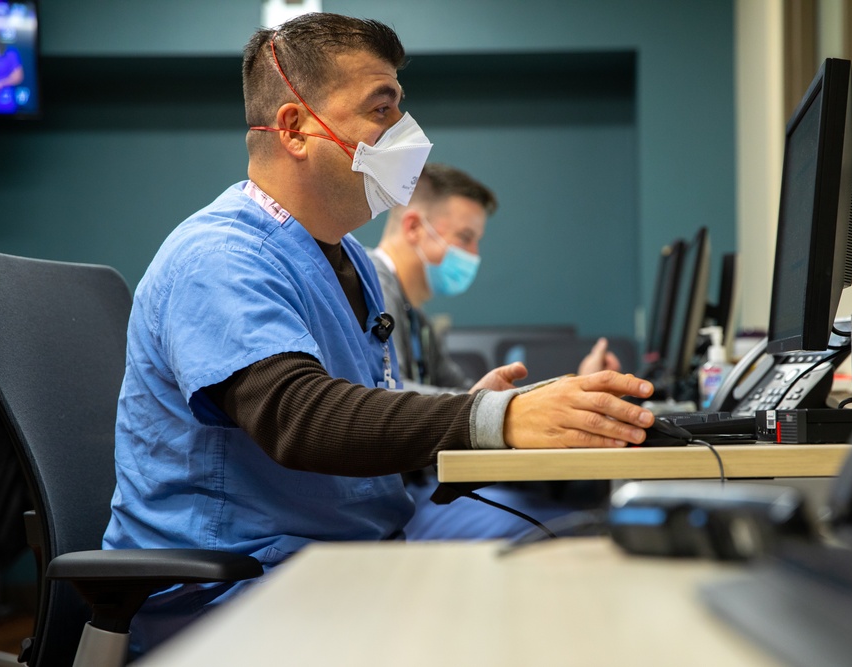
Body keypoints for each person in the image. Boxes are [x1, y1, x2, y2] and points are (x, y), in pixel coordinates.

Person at [102, 12, 654, 655]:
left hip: (354, 547)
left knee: (578, 552)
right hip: (238, 583)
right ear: (295, 127)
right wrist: (486, 419)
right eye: (381, 108)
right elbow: (299, 417)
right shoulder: (218, 256)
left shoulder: (350, 261)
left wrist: (479, 417)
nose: (406, 135)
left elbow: (361, 421)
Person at [369, 162, 621, 539]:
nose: (474, 253)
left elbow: (477, 397)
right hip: (401, 500)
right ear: (414, 227)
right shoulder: (372, 286)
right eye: (466, 237)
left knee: (583, 501)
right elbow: (391, 395)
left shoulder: (415, 316)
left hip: (426, 487)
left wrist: (571, 389)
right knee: (569, 526)